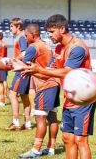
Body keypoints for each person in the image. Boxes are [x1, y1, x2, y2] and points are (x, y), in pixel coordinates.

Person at [21, 14, 96, 159]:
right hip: (69, 98)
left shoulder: (77, 48)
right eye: (48, 32)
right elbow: (51, 72)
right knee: (67, 138)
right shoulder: (58, 49)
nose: (48, 35)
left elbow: (68, 71)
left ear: (62, 29)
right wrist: (30, 71)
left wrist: (40, 69)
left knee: (81, 140)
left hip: (84, 99)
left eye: (51, 31)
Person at [18, 24, 60, 158]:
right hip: (55, 83)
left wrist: (7, 64)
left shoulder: (33, 47)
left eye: (26, 35)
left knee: (40, 118)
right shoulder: (46, 45)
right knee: (52, 117)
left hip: (44, 85)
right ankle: (51, 148)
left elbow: (24, 67)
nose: (25, 37)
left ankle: (36, 150)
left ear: (33, 35)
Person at [6, 18, 31, 131]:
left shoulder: (21, 37)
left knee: (12, 94)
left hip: (21, 69)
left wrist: (13, 60)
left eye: (12, 26)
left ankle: (16, 122)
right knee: (24, 96)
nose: (10, 28)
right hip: (24, 69)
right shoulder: (22, 37)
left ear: (18, 27)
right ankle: (28, 123)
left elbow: (24, 53)